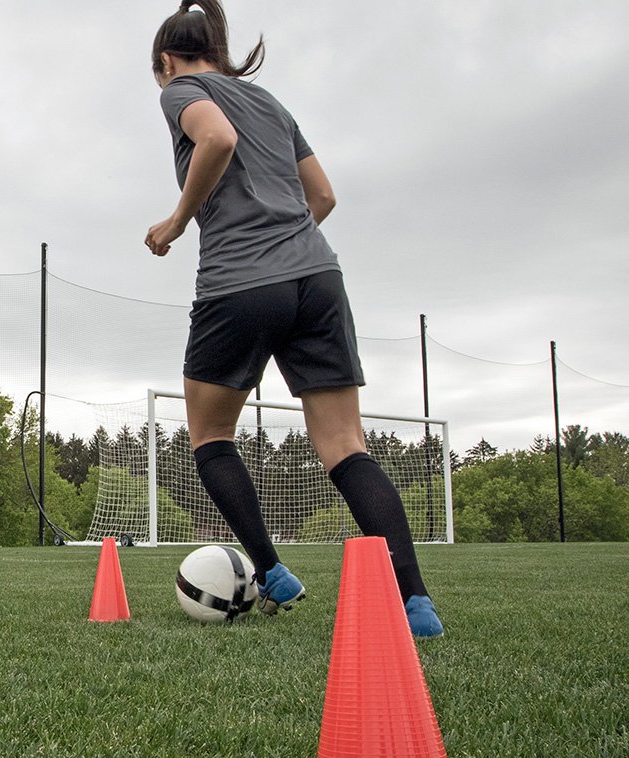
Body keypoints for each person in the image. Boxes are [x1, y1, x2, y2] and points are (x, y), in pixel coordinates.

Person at [144, 0, 444, 637]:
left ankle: (273, 572)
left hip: (239, 284)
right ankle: (416, 605)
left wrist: (175, 224)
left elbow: (217, 138)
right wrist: (287, 247)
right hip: (319, 278)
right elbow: (324, 196)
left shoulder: (182, 91)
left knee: (210, 437)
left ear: (166, 61)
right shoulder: (272, 104)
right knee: (344, 447)